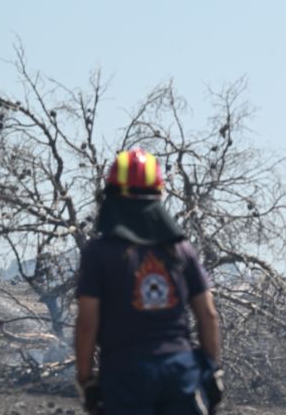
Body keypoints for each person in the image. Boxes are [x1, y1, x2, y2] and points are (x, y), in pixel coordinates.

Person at [74, 149, 222, 415]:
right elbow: (208, 315)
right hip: (180, 374)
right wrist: (210, 370)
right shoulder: (181, 250)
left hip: (125, 378)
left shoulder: (99, 252)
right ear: (158, 195)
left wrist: (86, 381)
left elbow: (87, 324)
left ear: (112, 197)